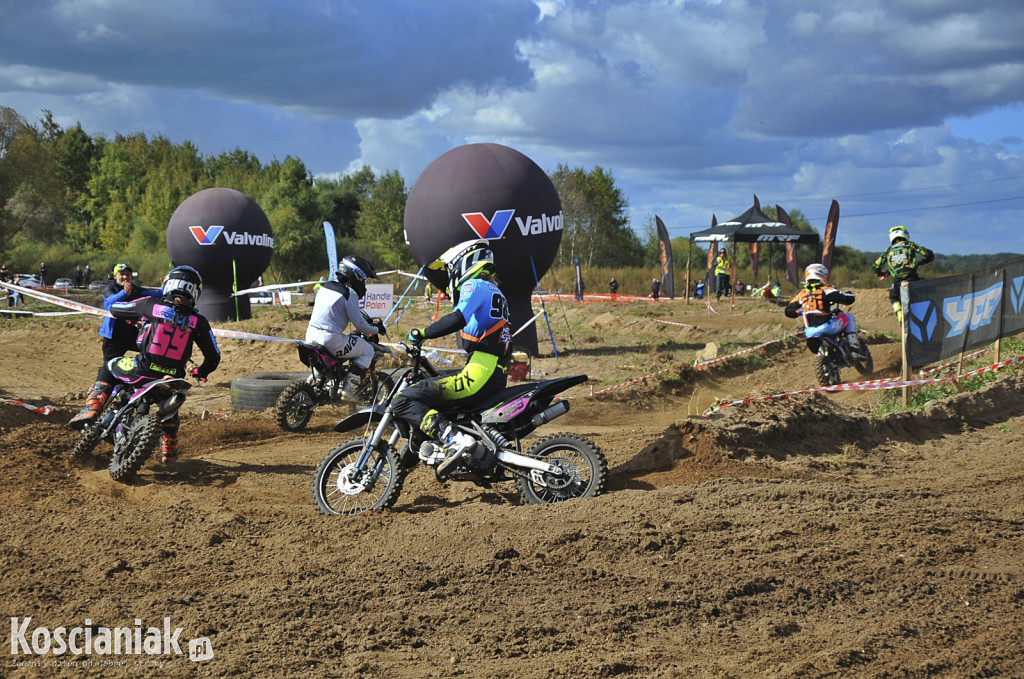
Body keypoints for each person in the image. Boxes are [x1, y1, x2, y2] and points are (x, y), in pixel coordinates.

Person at [69, 266, 221, 463]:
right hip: (172, 377)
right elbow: (214, 357)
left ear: (170, 284)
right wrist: (201, 371)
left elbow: (115, 309)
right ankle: (169, 444)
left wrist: (137, 315)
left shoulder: (151, 305)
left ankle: (93, 407)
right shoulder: (198, 321)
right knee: (170, 407)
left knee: (109, 366)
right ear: (195, 291)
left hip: (141, 369)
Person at [394, 239, 512, 478]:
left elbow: (458, 318)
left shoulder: (475, 285)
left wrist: (423, 333)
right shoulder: (494, 290)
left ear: (465, 263)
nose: (451, 275)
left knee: (402, 400)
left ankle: (455, 440)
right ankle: (400, 470)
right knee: (436, 410)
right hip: (494, 371)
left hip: (479, 371)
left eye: (452, 269)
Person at [305, 255, 385, 399]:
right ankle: (349, 389)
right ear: (357, 276)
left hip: (310, 335)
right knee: (367, 350)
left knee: (339, 345)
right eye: (365, 279)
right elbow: (360, 325)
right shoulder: (350, 293)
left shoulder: (325, 287)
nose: (364, 284)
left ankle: (315, 380)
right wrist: (377, 329)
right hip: (330, 339)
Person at [784, 264, 866, 356]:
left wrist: (801, 311)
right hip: (827, 328)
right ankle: (854, 347)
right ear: (821, 274)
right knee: (849, 317)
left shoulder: (802, 294)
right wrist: (849, 294)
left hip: (810, 332)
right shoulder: (826, 290)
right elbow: (848, 299)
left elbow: (788, 311)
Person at [99, 263, 161, 362]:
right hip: (113, 338)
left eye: (128, 274)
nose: (125, 277)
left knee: (152, 350)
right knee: (108, 366)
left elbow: (155, 294)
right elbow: (111, 302)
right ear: (115, 276)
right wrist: (124, 293)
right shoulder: (109, 288)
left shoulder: (134, 289)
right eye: (122, 274)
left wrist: (166, 285)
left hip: (131, 334)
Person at [872, 225, 935, 323]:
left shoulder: (888, 250)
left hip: (897, 283)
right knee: (927, 289)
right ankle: (930, 313)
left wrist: (882, 273)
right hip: (913, 279)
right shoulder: (910, 245)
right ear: (905, 234)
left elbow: (875, 266)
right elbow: (928, 254)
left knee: (893, 296)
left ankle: (899, 313)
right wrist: (921, 261)